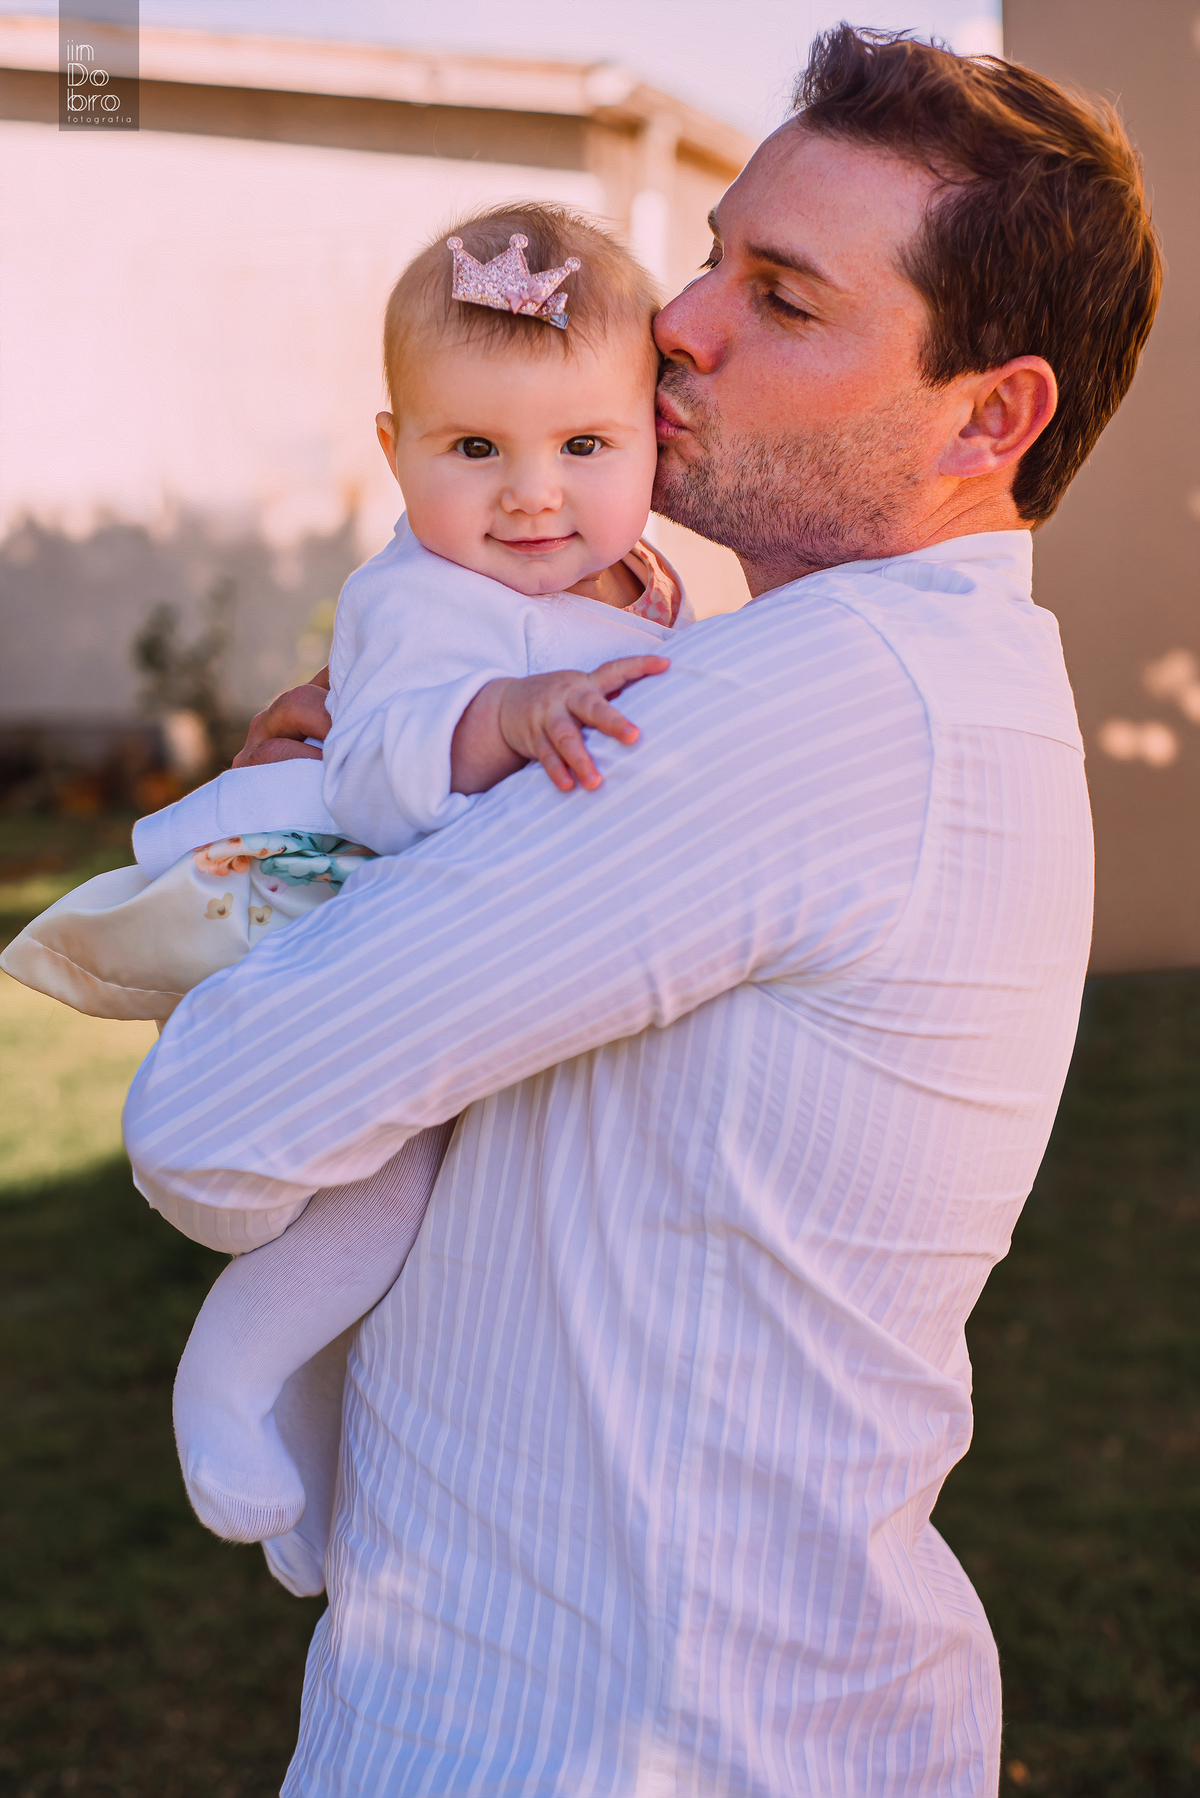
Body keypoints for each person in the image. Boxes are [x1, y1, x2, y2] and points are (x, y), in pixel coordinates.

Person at [123, 28, 1161, 1796]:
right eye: (708, 257)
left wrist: (309, 839)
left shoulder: (810, 704)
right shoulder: (879, 680)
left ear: (992, 413)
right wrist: (393, 774)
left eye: (784, 294)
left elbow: (211, 1126)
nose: (680, 321)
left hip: (592, 1735)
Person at [4, 205, 686, 1571]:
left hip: (493, 943)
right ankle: (226, 1378)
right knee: (379, 1188)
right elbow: (375, 765)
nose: (532, 493)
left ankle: (306, 1478)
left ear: (652, 438)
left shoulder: (639, 582)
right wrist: (510, 712)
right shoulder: (422, 595)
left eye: (584, 446)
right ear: (397, 452)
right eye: (475, 448)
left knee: (393, 1241)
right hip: (356, 901)